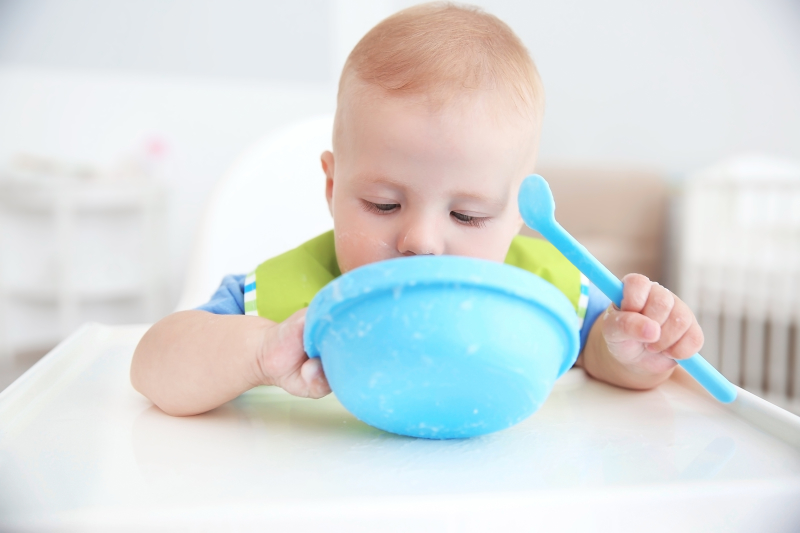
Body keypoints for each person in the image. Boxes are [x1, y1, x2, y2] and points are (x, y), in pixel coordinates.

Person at [130, 3, 703, 417]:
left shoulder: (545, 292)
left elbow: (603, 357)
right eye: (383, 204)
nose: (421, 241)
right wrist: (258, 353)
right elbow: (152, 368)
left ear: (518, 213)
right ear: (331, 186)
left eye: (468, 215)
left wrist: (631, 348)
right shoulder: (284, 305)